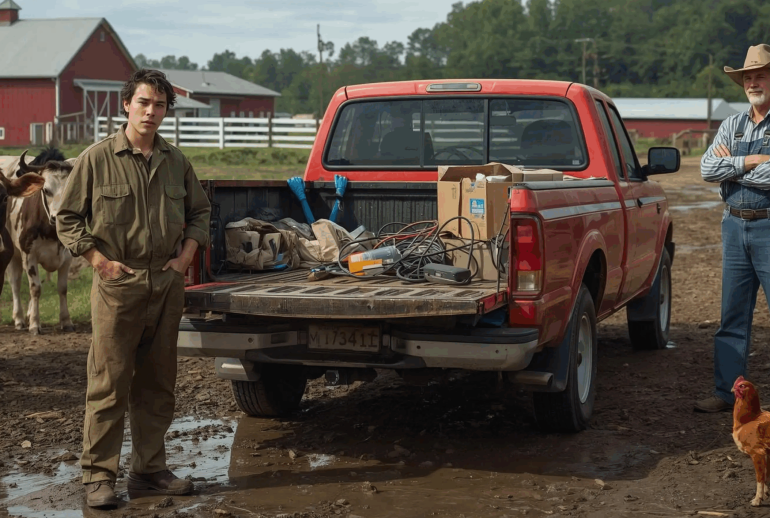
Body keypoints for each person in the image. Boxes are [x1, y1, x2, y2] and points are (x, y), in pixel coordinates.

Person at [56, 69, 211, 507]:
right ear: (126, 104)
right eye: (144, 102)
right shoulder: (97, 159)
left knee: (158, 384)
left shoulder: (176, 161)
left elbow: (200, 212)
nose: (151, 112)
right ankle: (98, 477)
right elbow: (67, 218)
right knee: (109, 383)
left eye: (159, 105)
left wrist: (184, 258)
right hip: (117, 285)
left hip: (165, 284)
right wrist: (98, 261)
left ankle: (149, 471)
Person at [696, 44, 770, 412]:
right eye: (748, 77)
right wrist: (754, 160)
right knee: (732, 316)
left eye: (760, 75)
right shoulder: (732, 124)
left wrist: (734, 166)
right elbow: (707, 169)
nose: (753, 82)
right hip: (734, 226)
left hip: (769, 227)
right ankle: (727, 393)